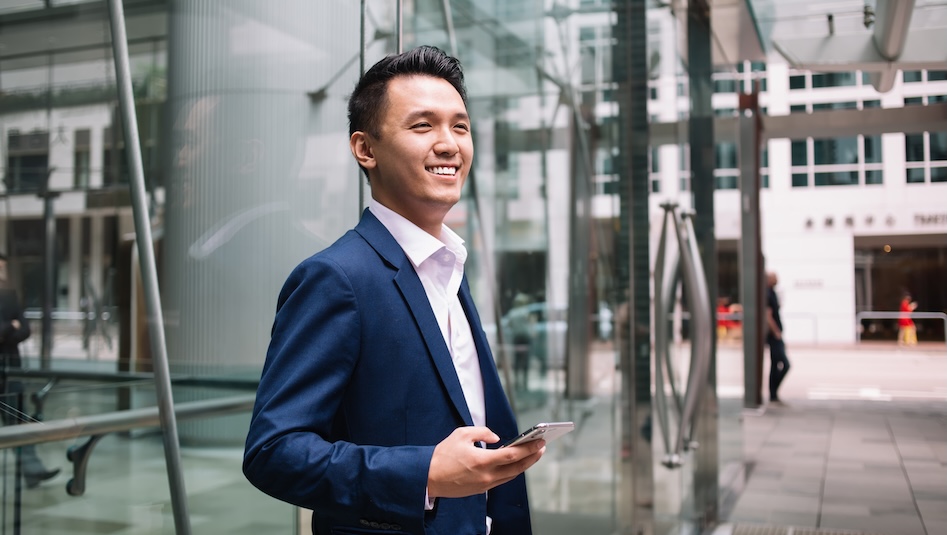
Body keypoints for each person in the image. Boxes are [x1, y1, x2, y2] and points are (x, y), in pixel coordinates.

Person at [243, 46, 542, 535]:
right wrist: (422, 473)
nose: (449, 144)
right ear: (365, 148)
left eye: (460, 126)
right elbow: (273, 453)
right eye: (423, 126)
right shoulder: (337, 279)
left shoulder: (450, 268)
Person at [0, 253, 60, 488]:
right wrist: (9, 327)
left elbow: (25, 330)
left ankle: (32, 471)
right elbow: (15, 328)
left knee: (20, 423)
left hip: (11, 372)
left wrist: (8, 330)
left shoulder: (10, 296)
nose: (2, 272)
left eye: (4, 267)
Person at [765, 271, 790, 404]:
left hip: (776, 334)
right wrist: (776, 332)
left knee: (775, 364)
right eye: (775, 278)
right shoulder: (767, 294)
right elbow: (768, 315)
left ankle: (773, 394)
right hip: (774, 336)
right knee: (785, 364)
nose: (777, 280)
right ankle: (773, 392)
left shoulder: (772, 292)